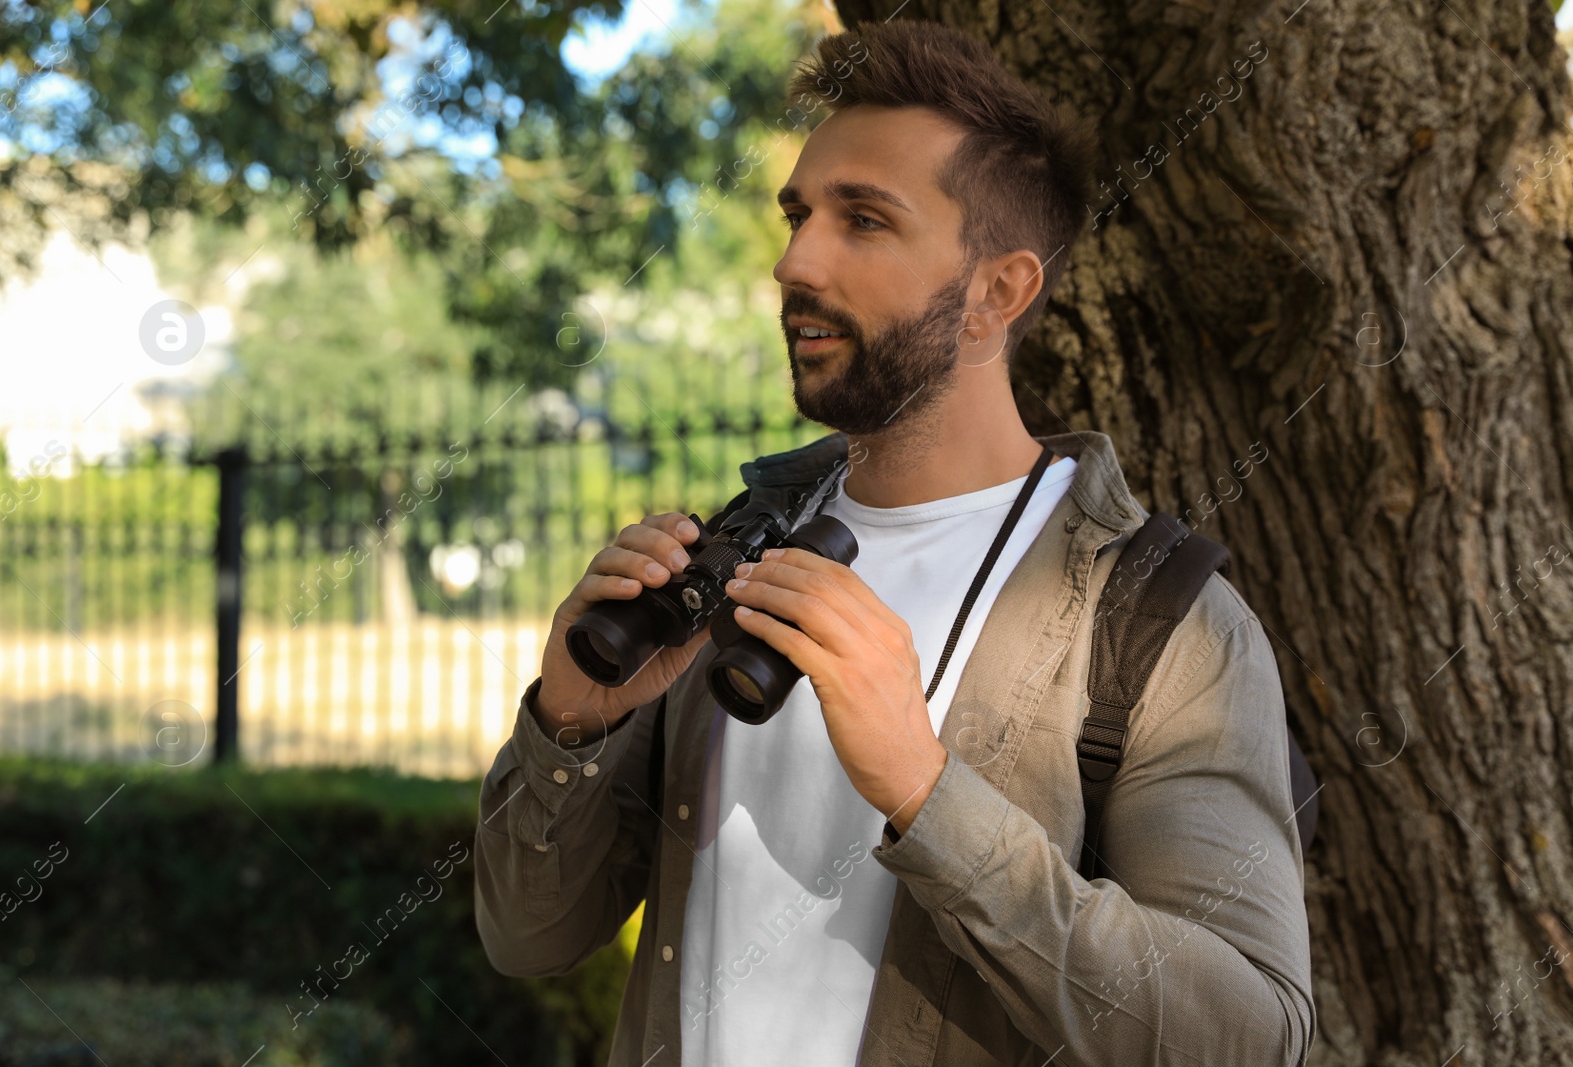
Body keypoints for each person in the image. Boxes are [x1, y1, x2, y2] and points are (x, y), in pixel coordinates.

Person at [474, 18, 1315, 1067]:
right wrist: (571, 727)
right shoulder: (730, 554)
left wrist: (926, 789)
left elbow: (1247, 1036)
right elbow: (528, 934)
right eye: (798, 215)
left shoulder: (1158, 620)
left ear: (996, 291)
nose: (794, 259)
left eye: (863, 220)